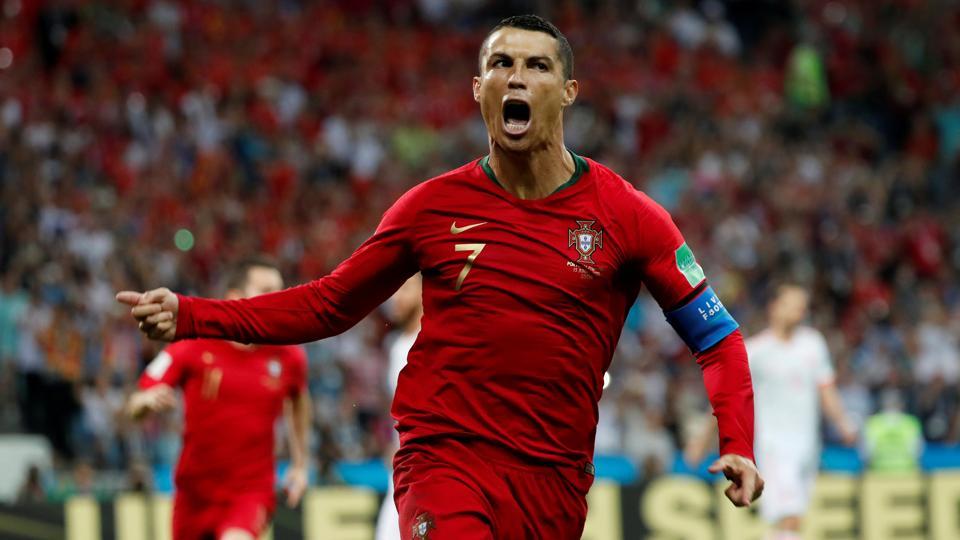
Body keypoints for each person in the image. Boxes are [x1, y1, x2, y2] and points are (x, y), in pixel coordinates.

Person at [118, 15, 761, 539]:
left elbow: (717, 337)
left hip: (555, 478)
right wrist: (194, 314)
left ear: (568, 91)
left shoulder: (629, 216)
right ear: (479, 88)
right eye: (502, 63)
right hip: (443, 457)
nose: (517, 76)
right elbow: (328, 304)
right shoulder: (431, 208)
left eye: (537, 66)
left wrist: (738, 440)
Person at [126, 258, 311, 540]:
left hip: (251, 492)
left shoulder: (289, 355)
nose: (277, 299)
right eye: (266, 290)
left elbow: (298, 399)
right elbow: (136, 403)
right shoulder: (193, 343)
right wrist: (145, 402)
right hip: (194, 495)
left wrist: (300, 464)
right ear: (235, 298)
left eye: (280, 291)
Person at [747, 284, 857, 540]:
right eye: (792, 304)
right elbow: (730, 397)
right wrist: (705, 439)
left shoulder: (813, 344)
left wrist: (843, 423)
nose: (799, 311)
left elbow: (826, 389)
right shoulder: (755, 351)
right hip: (774, 445)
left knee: (789, 521)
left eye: (802, 306)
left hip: (808, 445)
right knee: (791, 515)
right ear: (774, 307)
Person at [376, 274, 423, 540]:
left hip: (427, 469)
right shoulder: (396, 345)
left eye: (405, 289)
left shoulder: (432, 343)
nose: (396, 298)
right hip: (402, 469)